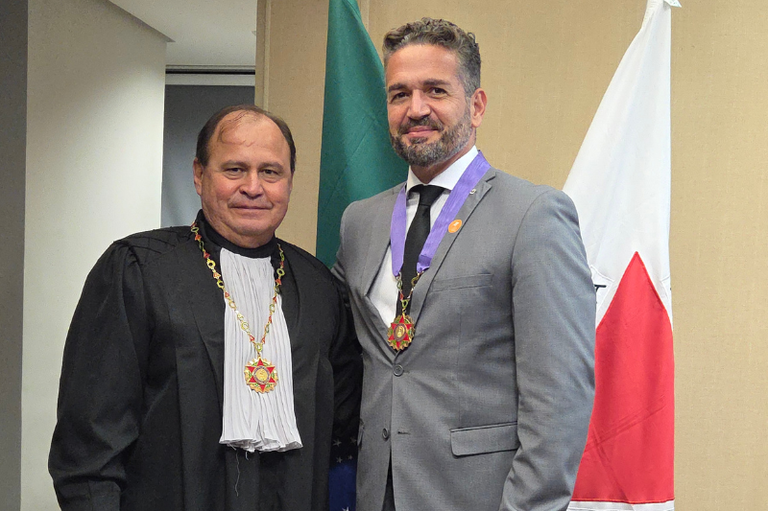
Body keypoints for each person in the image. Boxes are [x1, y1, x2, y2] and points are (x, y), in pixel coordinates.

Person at [332, 18, 595, 511]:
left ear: (476, 106)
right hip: (375, 493)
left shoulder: (534, 215)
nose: (416, 109)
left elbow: (559, 400)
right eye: (398, 94)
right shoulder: (359, 223)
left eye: (436, 90)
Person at [49, 105, 361, 511]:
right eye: (234, 170)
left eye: (271, 172)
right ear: (199, 174)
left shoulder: (320, 288)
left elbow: (344, 429)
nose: (253, 187)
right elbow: (89, 447)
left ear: (289, 181)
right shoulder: (138, 270)